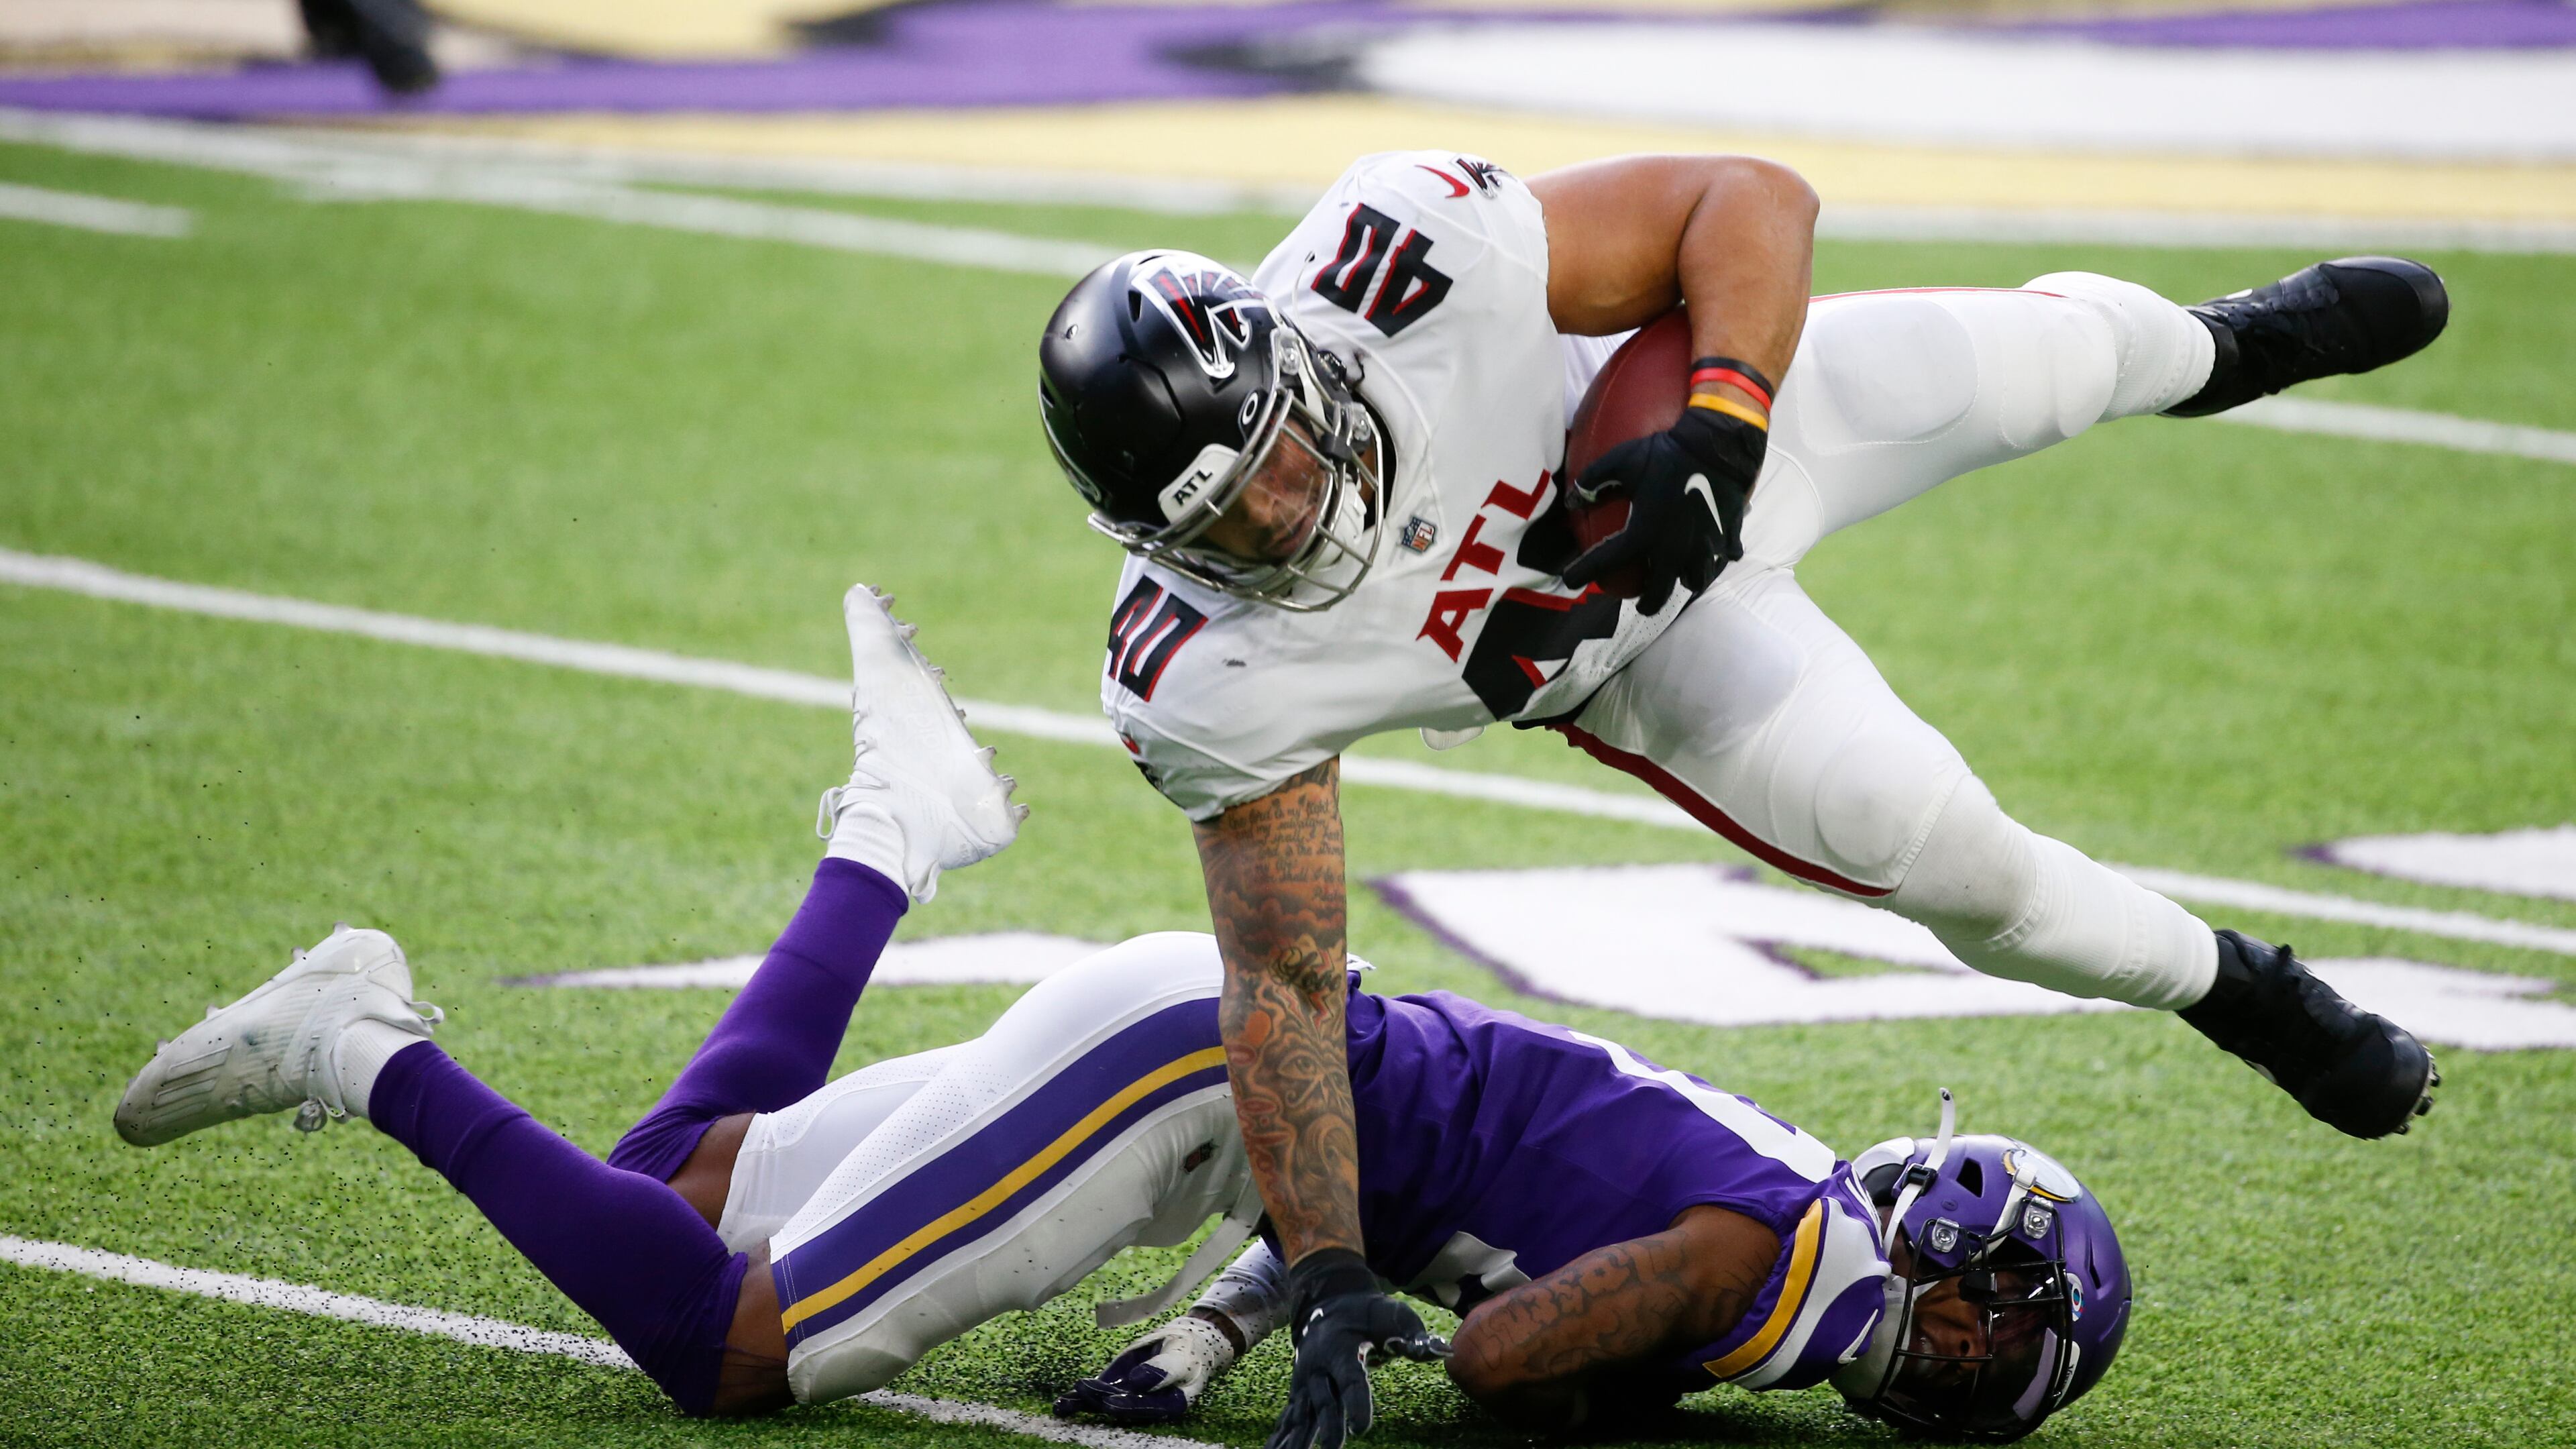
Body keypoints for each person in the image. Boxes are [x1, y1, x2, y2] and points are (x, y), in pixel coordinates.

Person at [1034, 151, 2444, 1434]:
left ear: (1296, 365)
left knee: (2059, 364)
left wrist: (1719, 426)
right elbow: (1284, 982)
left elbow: (1750, 200)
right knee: (1961, 867)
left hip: (1708, 433)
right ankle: (2242, 991)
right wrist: (1330, 1271)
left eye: (1273, 463)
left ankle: (2229, 344)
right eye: (1218, 526)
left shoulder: (1404, 258)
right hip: (1636, 648)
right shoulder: (1205, 676)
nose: (1278, 521)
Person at [114, 588, 2129, 1444]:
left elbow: (1435, 1196)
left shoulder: (1777, 1196)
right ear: (1941, 1245)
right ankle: (359, 1044)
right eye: (1990, 1327)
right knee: (729, 1355)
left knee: (676, 1183)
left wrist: (1224, 1321)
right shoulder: (1786, 1261)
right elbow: (1503, 1348)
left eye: (1997, 1362)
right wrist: (1610, 1380)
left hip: (1229, 1088)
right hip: (1200, 1078)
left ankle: (893, 834)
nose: (1969, 1369)